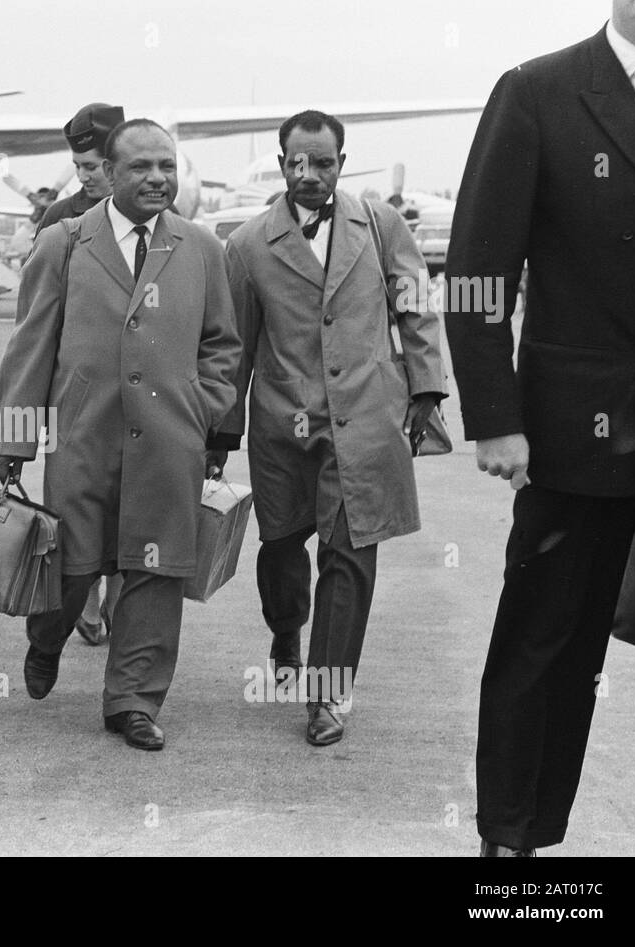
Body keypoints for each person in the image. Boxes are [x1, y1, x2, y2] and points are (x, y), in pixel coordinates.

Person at [444, 0, 635, 857]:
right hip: (578, 431)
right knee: (548, 641)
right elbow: (478, 270)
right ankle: (512, 840)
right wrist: (497, 419)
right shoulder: (538, 91)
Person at [0, 119, 243, 751]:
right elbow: (30, 349)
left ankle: (132, 700)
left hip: (168, 443)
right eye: (141, 167)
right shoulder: (65, 242)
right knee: (70, 563)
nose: (158, 178)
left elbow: (223, 347)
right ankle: (47, 637)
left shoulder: (203, 248)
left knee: (155, 572)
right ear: (110, 169)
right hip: (84, 438)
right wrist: (11, 447)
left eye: (167, 165)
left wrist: (203, 414)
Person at [221, 110, 446, 747]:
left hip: (365, 419)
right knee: (283, 548)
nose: (308, 173)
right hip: (282, 425)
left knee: (350, 555)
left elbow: (414, 309)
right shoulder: (245, 245)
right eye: (296, 162)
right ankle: (285, 628)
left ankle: (327, 696)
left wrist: (426, 388)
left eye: (322, 162)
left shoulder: (380, 226)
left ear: (342, 163)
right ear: (280, 162)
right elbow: (235, 349)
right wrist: (220, 434)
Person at [33, 102, 127, 644]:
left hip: (140, 394)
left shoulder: (157, 218)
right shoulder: (60, 223)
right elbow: (36, 326)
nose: (83, 177)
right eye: (79, 166)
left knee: (129, 509)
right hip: (77, 394)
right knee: (75, 508)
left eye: (93, 166)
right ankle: (84, 600)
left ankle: (118, 600)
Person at [34, 103, 125, 240]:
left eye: (90, 167)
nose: (82, 177)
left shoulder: (156, 215)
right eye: (77, 166)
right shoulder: (58, 216)